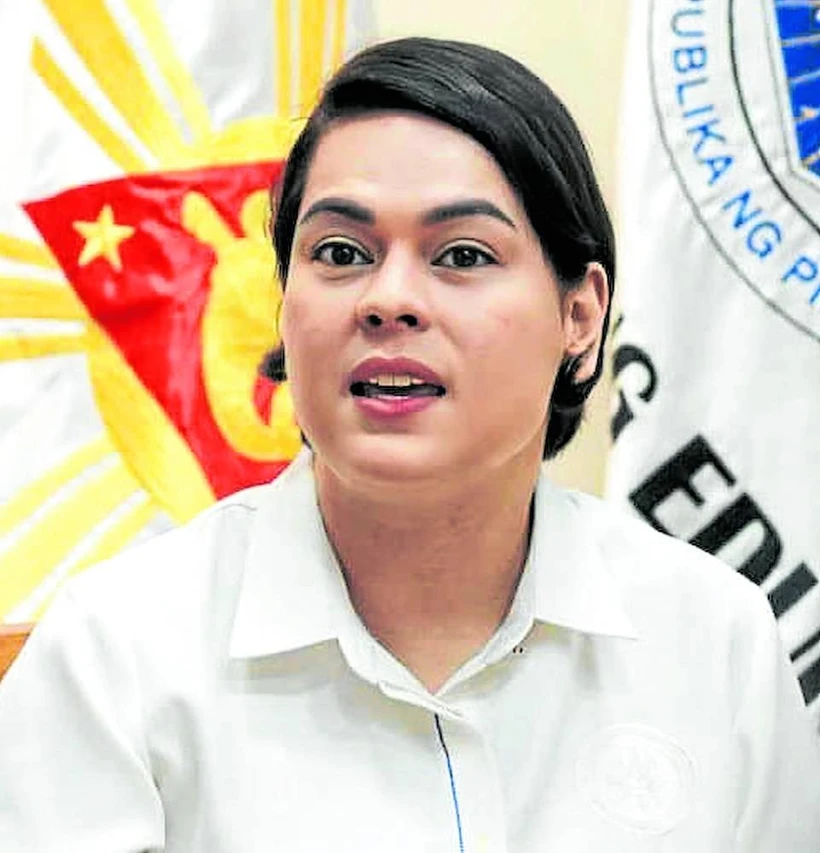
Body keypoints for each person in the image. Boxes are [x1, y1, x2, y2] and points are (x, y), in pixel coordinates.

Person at [1, 36, 819, 852]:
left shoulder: (713, 641)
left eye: (462, 255)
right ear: (286, 304)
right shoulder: (116, 653)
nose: (389, 299)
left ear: (581, 316)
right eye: (341, 253)